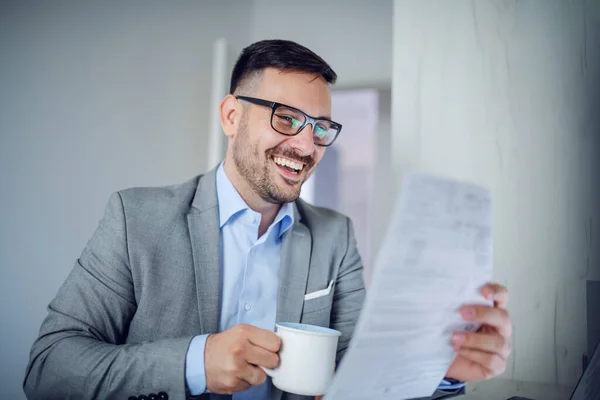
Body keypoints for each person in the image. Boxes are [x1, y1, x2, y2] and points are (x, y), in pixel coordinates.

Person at [24, 40, 512, 400]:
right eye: (285, 118)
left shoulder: (334, 236)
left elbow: (363, 375)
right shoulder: (136, 218)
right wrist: (197, 361)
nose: (305, 145)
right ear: (232, 116)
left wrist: (440, 368)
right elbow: (49, 370)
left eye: (321, 128)